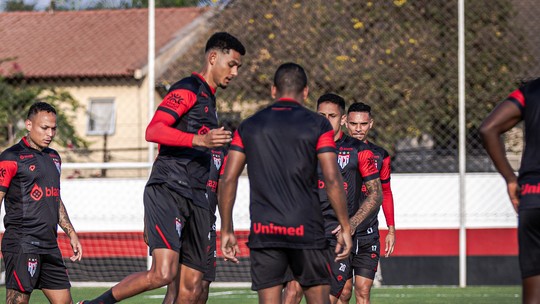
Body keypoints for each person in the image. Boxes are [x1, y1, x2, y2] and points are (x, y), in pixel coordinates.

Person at [79, 32, 245, 304]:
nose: (235, 72)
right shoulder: (188, 88)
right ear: (213, 58)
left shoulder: (210, 103)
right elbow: (154, 130)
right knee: (163, 273)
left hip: (196, 199)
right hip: (170, 190)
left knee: (191, 290)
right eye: (232, 64)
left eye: (239, 67)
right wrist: (199, 140)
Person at [218, 63, 353, 304]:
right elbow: (332, 178)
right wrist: (344, 225)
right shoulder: (318, 125)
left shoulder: (248, 126)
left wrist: (226, 228)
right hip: (307, 229)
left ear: (273, 90)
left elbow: (228, 178)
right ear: (305, 93)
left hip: (265, 231)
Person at [282, 94, 383, 304]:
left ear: (342, 119)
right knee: (292, 291)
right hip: (307, 232)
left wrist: (351, 225)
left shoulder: (360, 151)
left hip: (337, 238)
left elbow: (376, 194)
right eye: (321, 115)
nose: (326, 120)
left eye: (332, 116)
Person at [0, 102, 83, 304]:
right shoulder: (11, 157)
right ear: (29, 124)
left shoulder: (54, 157)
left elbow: (54, 197)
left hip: (49, 245)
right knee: (17, 301)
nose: (50, 133)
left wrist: (71, 232)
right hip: (22, 243)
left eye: (53, 128)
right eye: (44, 128)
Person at [479, 78, 540, 304]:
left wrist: (510, 179)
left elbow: (488, 128)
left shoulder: (531, 91)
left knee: (534, 291)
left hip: (533, 197)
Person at [338, 102, 396, 304]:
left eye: (363, 124)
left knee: (363, 291)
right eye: (353, 123)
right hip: (341, 234)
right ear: (345, 123)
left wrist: (390, 229)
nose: (358, 129)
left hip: (368, 234)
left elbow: (386, 192)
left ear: (371, 124)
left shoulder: (380, 155)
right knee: (343, 292)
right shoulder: (336, 153)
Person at [163, 147, 227, 304]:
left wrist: (226, 227)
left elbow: (222, 189)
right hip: (182, 220)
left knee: (203, 286)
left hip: (207, 224)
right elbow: (159, 182)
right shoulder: (183, 144)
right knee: (175, 288)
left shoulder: (221, 152)